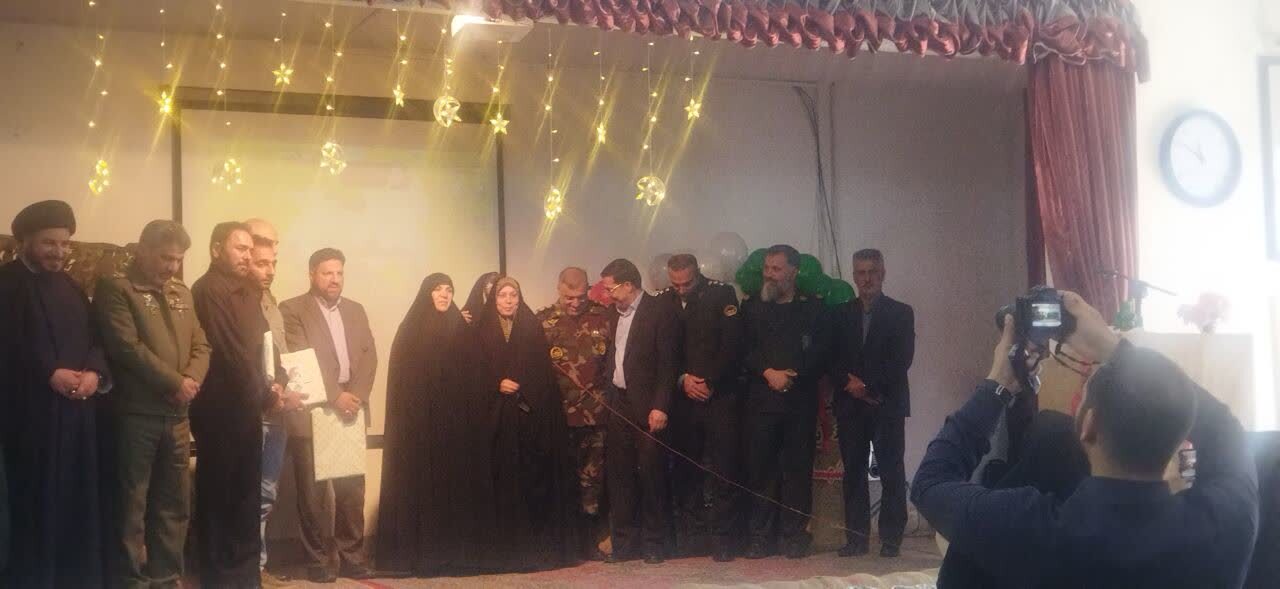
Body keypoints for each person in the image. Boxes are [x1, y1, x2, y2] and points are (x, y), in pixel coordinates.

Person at [911, 292, 1260, 588]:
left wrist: (998, 385)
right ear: (1181, 436)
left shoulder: (1026, 529)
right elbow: (1227, 432)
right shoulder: (1223, 528)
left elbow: (930, 482)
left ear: (1088, 426)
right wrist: (1114, 347)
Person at [0, 200, 111, 587]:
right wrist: (48, 372)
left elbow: (97, 337)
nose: (59, 252)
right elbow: (7, 346)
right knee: (34, 505)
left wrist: (94, 371)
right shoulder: (6, 283)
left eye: (65, 244)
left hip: (77, 417)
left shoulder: (71, 286)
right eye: (49, 243)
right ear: (25, 241)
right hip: (30, 420)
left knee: (75, 502)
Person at [95, 220, 211, 588]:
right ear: (143, 250)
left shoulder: (182, 293)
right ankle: (130, 580)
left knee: (174, 503)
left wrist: (190, 381)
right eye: (165, 258)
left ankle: (167, 577)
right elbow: (126, 348)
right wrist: (175, 383)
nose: (172, 267)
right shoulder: (117, 289)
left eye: (178, 260)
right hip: (136, 416)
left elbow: (202, 345)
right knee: (132, 504)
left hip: (177, 416)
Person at [458, 276, 579, 571]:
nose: (509, 300)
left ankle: (532, 548)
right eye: (503, 295)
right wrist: (496, 383)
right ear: (493, 299)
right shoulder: (480, 329)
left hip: (527, 417)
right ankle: (501, 551)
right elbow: (471, 371)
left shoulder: (530, 326)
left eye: (513, 295)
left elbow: (542, 371)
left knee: (530, 480)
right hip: (494, 420)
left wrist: (524, 387)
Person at [190, 221, 284, 589]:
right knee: (220, 492)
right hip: (220, 408)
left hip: (249, 406)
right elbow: (229, 350)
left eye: (249, 249)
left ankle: (246, 575)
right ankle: (219, 577)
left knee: (247, 492)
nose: (247, 256)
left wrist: (278, 380)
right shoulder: (208, 289)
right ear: (216, 250)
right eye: (239, 248)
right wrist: (266, 393)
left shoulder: (249, 290)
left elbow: (265, 343)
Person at [279, 248, 378, 583]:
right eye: (327, 273)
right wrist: (335, 396)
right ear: (312, 274)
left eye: (339, 273)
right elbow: (301, 357)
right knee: (314, 495)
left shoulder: (356, 310)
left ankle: (352, 557)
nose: (335, 279)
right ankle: (318, 561)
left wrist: (356, 396)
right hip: (315, 408)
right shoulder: (292, 309)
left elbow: (369, 356)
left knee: (352, 491)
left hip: (351, 408)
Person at [376, 273, 477, 576]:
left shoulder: (460, 329)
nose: (444, 295)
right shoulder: (410, 330)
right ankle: (420, 555)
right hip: (419, 426)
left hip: (454, 426)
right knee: (422, 486)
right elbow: (402, 383)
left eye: (449, 290)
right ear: (426, 294)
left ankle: (454, 556)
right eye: (438, 290)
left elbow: (473, 374)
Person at [740, 244, 831, 560]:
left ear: (793, 271)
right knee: (760, 471)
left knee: (797, 472)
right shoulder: (752, 307)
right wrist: (769, 373)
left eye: (776, 269)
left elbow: (821, 352)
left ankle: (794, 536)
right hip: (761, 404)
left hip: (798, 402)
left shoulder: (813, 308)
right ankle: (760, 537)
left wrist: (793, 374)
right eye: (767, 268)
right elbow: (743, 349)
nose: (769, 275)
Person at [655, 254, 743, 562]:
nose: (681, 289)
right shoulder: (663, 300)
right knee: (686, 470)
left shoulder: (721, 294)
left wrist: (709, 381)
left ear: (698, 274)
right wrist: (683, 380)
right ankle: (693, 537)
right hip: (683, 398)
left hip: (718, 396)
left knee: (724, 469)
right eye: (675, 284)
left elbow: (732, 345)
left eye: (687, 283)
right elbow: (663, 350)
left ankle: (724, 539)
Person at [828, 249, 915, 558]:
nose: (867, 279)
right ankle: (856, 539)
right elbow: (830, 357)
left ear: (883, 274)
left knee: (891, 471)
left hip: (886, 403)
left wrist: (867, 386)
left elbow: (902, 359)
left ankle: (891, 538)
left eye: (872, 272)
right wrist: (847, 383)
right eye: (861, 273)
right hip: (850, 405)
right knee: (853, 472)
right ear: (854, 276)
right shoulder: (839, 314)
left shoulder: (901, 313)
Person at [599, 259, 678, 564]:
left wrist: (661, 406)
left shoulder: (659, 311)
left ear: (628, 285)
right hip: (618, 402)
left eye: (611, 288)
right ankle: (624, 544)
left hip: (648, 406)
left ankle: (654, 543)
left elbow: (668, 364)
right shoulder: (612, 313)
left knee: (651, 474)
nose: (607, 294)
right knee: (620, 475)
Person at [536, 267, 614, 558]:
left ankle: (592, 540)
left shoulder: (603, 317)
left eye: (581, 296)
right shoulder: (543, 322)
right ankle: (566, 543)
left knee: (594, 480)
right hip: (559, 416)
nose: (575, 303)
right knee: (562, 479)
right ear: (558, 289)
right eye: (569, 297)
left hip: (596, 416)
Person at [243, 219, 301, 589]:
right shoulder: (234, 300)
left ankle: (258, 566)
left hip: (278, 410)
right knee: (247, 493)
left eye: (274, 260)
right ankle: (247, 568)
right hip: (252, 411)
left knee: (267, 491)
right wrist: (270, 392)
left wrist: (287, 387)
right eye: (263, 260)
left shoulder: (271, 302)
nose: (270, 268)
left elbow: (281, 354)